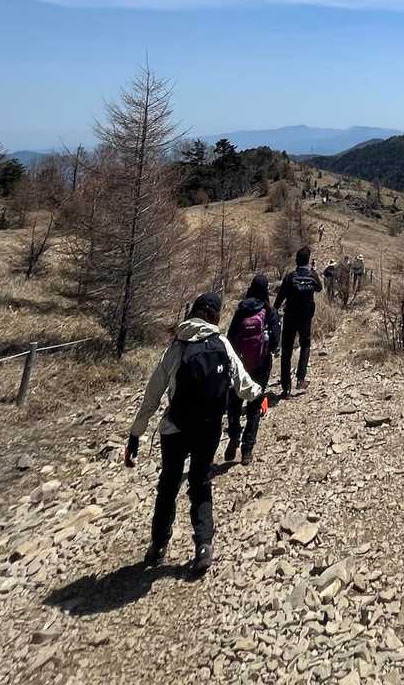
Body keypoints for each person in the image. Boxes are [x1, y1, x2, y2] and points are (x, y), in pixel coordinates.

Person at [124, 291, 260, 574]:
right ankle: (203, 546)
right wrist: (260, 396)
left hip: (175, 428)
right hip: (209, 427)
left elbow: (152, 395)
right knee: (200, 482)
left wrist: (136, 434)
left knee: (168, 484)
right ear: (214, 315)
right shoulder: (221, 343)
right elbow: (243, 383)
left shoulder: (177, 346)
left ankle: (158, 545)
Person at [224, 274, 279, 466]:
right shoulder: (269, 311)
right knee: (255, 407)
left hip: (239, 365)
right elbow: (275, 342)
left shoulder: (241, 310)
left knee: (234, 404)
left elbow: (230, 338)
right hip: (261, 365)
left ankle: (233, 437)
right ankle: (247, 450)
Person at [274, 245, 322, 396]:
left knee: (286, 349)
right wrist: (313, 271)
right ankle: (301, 379)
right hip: (306, 317)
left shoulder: (290, 277)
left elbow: (280, 296)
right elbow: (319, 288)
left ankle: (286, 386)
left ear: (296, 260)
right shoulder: (312, 276)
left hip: (290, 316)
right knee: (305, 345)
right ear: (308, 260)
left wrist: (274, 310)